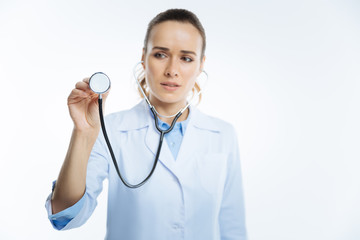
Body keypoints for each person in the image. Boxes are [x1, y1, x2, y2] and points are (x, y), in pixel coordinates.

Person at [45, 8, 247, 240]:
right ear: (144, 57)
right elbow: (66, 214)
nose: (172, 70)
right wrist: (82, 132)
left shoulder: (222, 134)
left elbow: (233, 227)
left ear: (201, 65)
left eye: (186, 58)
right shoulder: (110, 129)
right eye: (160, 54)